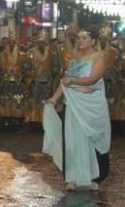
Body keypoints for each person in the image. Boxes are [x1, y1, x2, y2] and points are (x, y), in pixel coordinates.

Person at [43, 28, 111, 191]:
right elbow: (64, 81)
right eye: (78, 38)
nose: (80, 41)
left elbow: (93, 79)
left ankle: (94, 177)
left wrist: (73, 79)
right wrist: (53, 99)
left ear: (93, 40)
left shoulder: (99, 57)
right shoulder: (75, 57)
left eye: (84, 38)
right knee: (72, 141)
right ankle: (73, 176)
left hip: (90, 105)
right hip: (72, 104)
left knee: (91, 139)